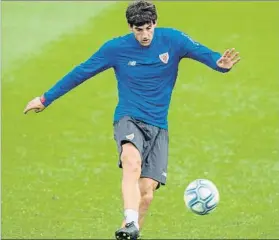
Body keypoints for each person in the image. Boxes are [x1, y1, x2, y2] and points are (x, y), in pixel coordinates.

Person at [23, 0, 240, 239]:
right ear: (130, 27)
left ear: (155, 23)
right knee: (131, 161)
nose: (145, 34)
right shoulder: (115, 48)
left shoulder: (174, 40)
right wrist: (45, 99)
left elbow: (206, 54)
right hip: (129, 117)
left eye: (148, 28)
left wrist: (220, 64)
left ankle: (131, 230)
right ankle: (131, 221)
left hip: (158, 126)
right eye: (139, 30)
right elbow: (81, 72)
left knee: (146, 192)